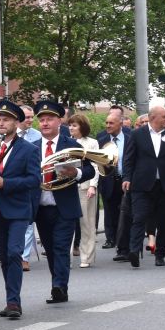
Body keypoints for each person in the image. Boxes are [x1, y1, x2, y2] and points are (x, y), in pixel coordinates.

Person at [33, 102, 94, 302]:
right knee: (50, 249)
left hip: (64, 207)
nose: (45, 123)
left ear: (59, 121)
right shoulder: (32, 147)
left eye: (49, 119)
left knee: (60, 247)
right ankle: (58, 284)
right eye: (42, 120)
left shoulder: (72, 145)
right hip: (41, 207)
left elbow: (90, 170)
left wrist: (76, 173)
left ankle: (59, 286)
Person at [0, 102, 40, 319]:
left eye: (6, 120)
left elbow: (34, 180)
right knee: (4, 257)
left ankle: (14, 302)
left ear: (16, 123)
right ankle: (11, 299)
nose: (1, 123)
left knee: (14, 252)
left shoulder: (29, 149)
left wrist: (5, 183)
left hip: (18, 210)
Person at [121, 105, 165, 268]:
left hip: (164, 186)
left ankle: (160, 254)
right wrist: (127, 177)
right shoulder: (137, 134)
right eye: (164, 116)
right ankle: (134, 251)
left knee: (164, 221)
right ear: (154, 117)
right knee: (139, 218)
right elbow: (129, 159)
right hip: (141, 184)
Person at [68, 114, 100, 268]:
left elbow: (95, 165)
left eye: (74, 125)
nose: (71, 128)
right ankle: (65, 257)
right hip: (68, 186)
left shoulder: (92, 143)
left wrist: (93, 185)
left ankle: (86, 257)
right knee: (67, 224)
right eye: (70, 125)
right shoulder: (66, 142)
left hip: (86, 186)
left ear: (82, 127)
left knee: (87, 223)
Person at [96, 110, 128, 252]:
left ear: (120, 124)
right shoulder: (101, 140)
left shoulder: (130, 138)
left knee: (125, 211)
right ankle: (110, 238)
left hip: (124, 180)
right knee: (109, 210)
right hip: (108, 180)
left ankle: (123, 239)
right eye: (107, 123)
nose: (108, 125)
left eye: (111, 123)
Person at [18, 105, 42, 272]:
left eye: (32, 117)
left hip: (31, 184)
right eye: (27, 117)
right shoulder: (9, 135)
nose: (30, 120)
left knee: (28, 222)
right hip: (12, 183)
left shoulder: (38, 136)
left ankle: (24, 258)